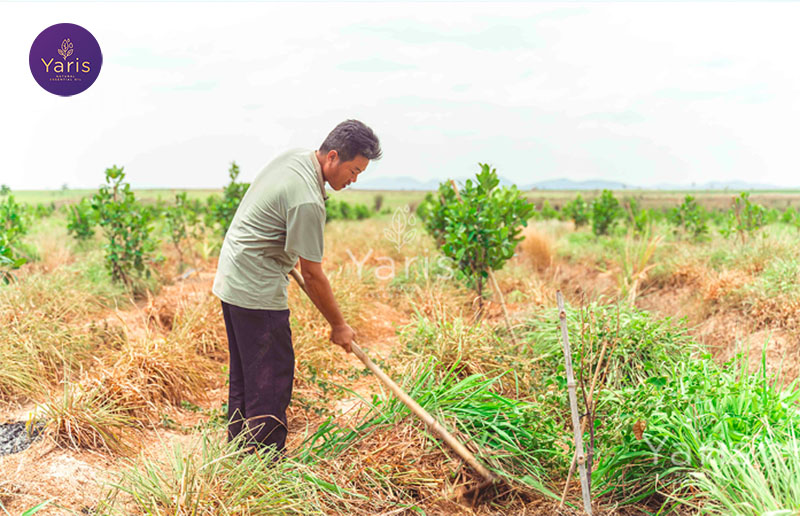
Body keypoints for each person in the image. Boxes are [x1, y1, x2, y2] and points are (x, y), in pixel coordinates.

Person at [211, 119, 382, 454]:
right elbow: (314, 275)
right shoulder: (308, 200)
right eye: (354, 170)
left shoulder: (296, 158)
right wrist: (339, 326)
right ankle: (264, 464)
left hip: (233, 278)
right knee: (271, 377)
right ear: (332, 156)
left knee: (247, 374)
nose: (354, 180)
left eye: (361, 173)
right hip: (255, 288)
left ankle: (240, 453)